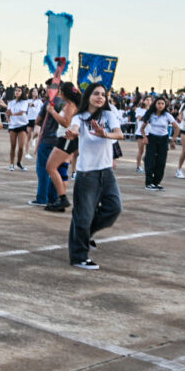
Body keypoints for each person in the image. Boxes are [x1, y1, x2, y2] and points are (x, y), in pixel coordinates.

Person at [62, 83, 124, 270]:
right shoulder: (80, 117)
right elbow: (74, 128)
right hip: (87, 173)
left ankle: (86, 234)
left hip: (106, 171)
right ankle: (79, 257)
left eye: (103, 95)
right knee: (83, 216)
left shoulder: (109, 115)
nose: (100, 97)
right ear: (88, 96)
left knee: (114, 208)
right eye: (96, 94)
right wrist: (72, 133)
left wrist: (103, 133)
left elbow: (119, 134)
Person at [42, 83, 82, 212]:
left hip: (66, 139)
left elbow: (66, 122)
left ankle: (62, 198)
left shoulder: (70, 106)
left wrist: (52, 112)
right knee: (62, 170)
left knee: (50, 167)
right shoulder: (70, 105)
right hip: (67, 139)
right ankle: (60, 200)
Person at [140, 96, 181, 191]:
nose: (160, 105)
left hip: (163, 139)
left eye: (162, 104)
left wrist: (173, 140)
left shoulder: (167, 115)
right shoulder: (151, 114)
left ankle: (157, 182)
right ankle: (149, 183)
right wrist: (144, 137)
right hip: (152, 138)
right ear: (155, 104)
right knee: (150, 160)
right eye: (158, 103)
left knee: (161, 161)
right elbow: (142, 128)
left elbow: (177, 128)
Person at [6, 86, 30, 170]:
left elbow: (21, 112)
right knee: (13, 146)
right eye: (16, 90)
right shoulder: (10, 102)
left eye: (19, 91)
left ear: (22, 92)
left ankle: (19, 162)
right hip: (13, 126)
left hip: (22, 125)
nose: (17, 92)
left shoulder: (25, 102)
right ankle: (11, 164)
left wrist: (12, 114)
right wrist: (8, 120)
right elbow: (8, 113)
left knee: (20, 147)